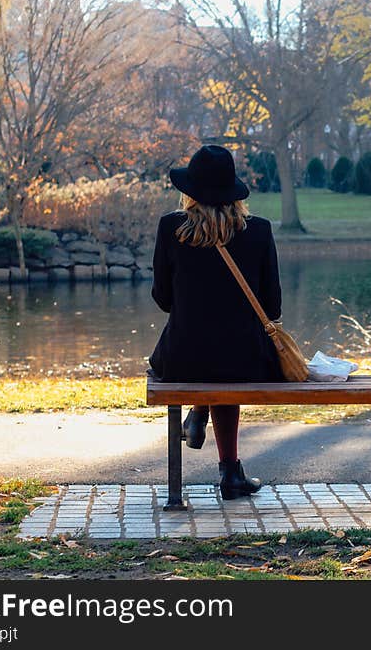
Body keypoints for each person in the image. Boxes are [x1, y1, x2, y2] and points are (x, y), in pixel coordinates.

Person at [148, 145, 284, 500]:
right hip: (245, 360)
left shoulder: (170, 228)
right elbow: (272, 307)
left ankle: (199, 411)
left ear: (189, 190)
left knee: (210, 356)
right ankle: (230, 474)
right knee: (228, 359)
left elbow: (162, 298)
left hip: (183, 358)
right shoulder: (259, 231)